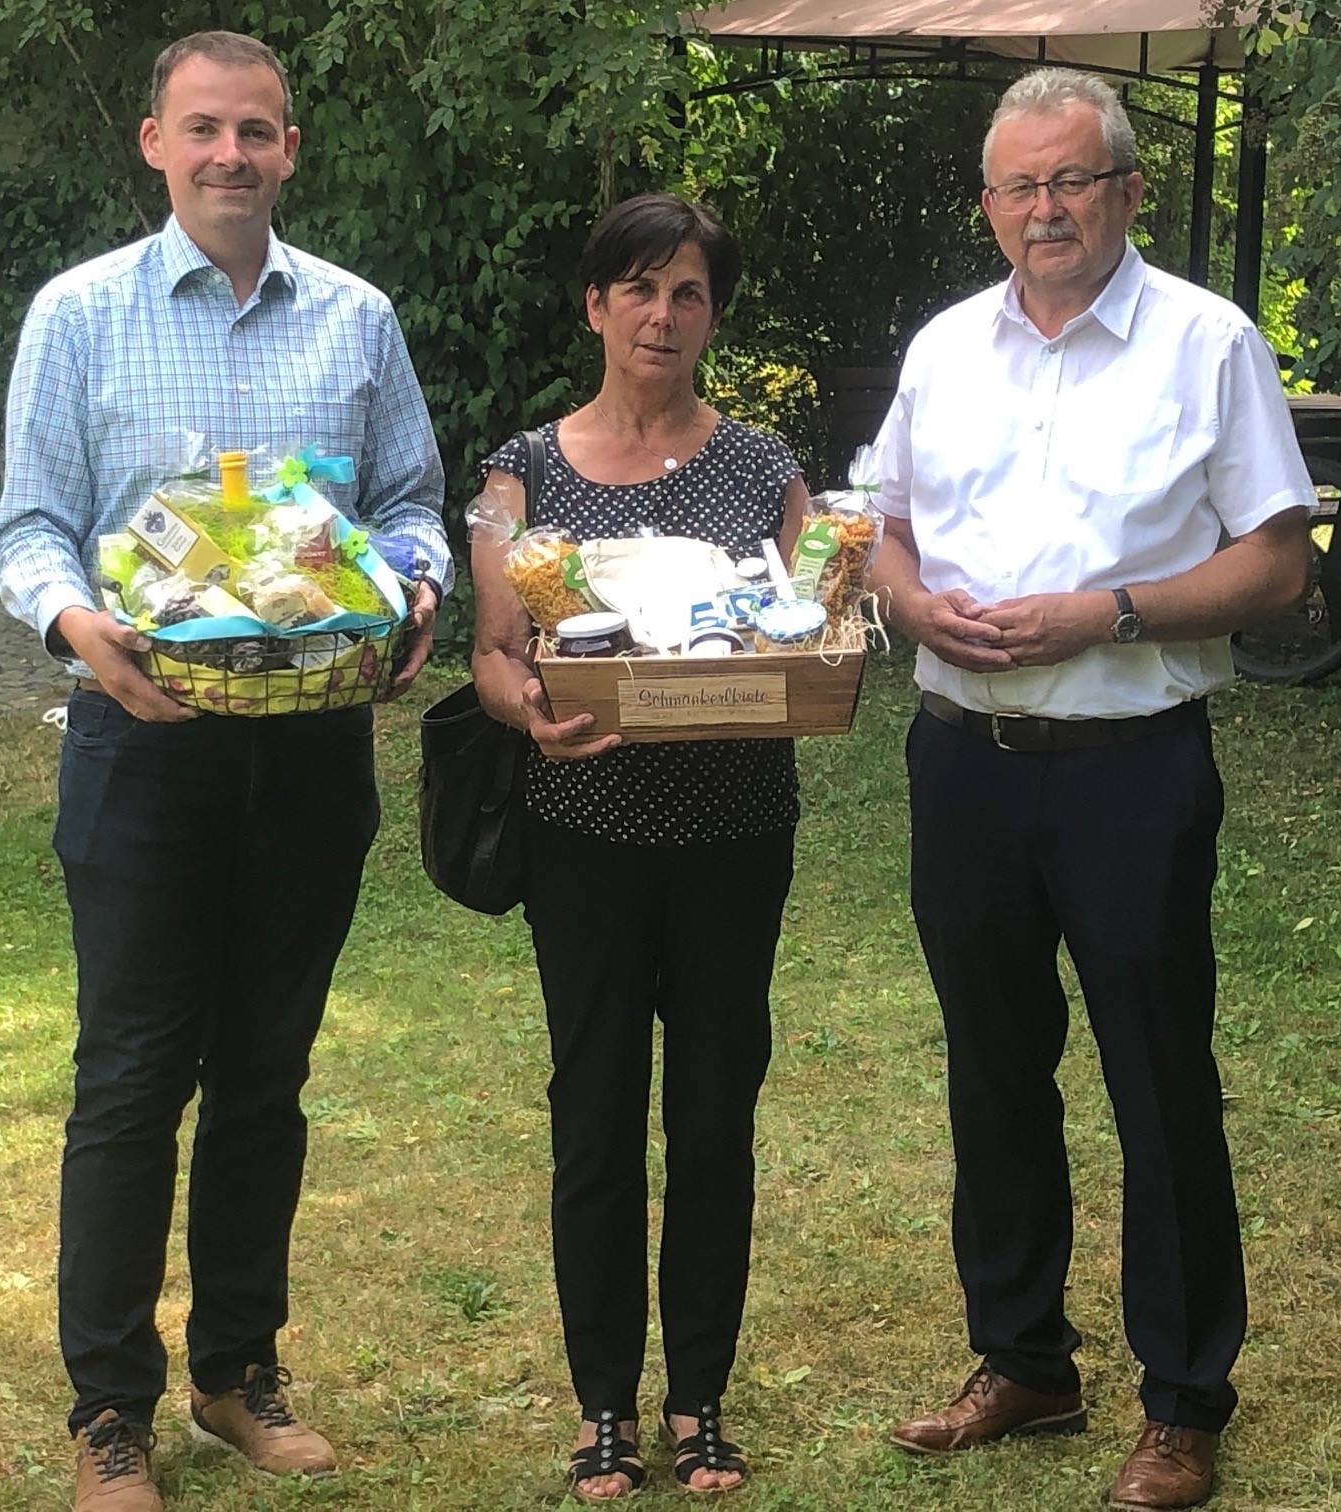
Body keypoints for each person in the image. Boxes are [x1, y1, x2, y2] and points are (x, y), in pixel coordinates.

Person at [0, 30, 449, 1512]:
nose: (231, 155)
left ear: (291, 150)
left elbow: (414, 505)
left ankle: (238, 1371)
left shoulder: (357, 320)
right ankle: (108, 1409)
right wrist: (75, 623)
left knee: (266, 1074)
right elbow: (29, 528)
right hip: (144, 745)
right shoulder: (79, 316)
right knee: (129, 1080)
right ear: (154, 143)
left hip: (312, 750)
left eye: (257, 131)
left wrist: (422, 591)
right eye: (205, 130)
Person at [869, 69, 1313, 1510]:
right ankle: (1024, 1361)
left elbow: (1277, 565)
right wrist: (914, 607)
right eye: (1019, 185)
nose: (1045, 210)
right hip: (965, 764)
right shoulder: (944, 348)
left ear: (1127, 189)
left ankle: (1183, 1398)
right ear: (989, 201)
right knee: (993, 1066)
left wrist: (1109, 613)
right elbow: (878, 534)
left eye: (1072, 180)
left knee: (1156, 1076)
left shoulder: (1208, 342)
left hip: (1132, 764)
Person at [469, 193, 808, 1501]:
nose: (664, 315)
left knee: (715, 1120)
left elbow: (804, 634)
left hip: (735, 837)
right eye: (639, 289)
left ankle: (701, 1402)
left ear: (714, 316)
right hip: (586, 842)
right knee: (595, 1118)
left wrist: (821, 628)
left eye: (690, 294)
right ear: (596, 303)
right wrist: (531, 714)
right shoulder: (523, 475)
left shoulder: (765, 469)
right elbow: (500, 653)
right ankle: (604, 1403)